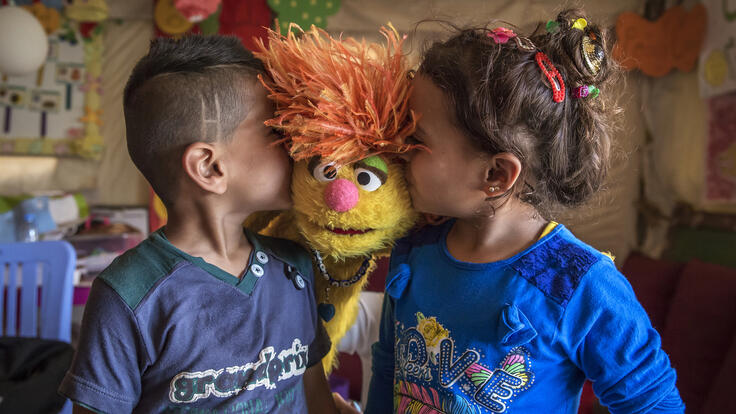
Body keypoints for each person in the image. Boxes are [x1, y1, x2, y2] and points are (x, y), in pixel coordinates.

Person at [366, 10, 685, 414]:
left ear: (496, 174)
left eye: (415, 138)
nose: (395, 149)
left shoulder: (578, 285)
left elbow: (653, 402)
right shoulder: (414, 247)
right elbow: (388, 366)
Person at [58, 35, 356, 414]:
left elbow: (314, 397)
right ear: (209, 167)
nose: (296, 146)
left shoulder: (294, 267)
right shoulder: (128, 295)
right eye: (275, 131)